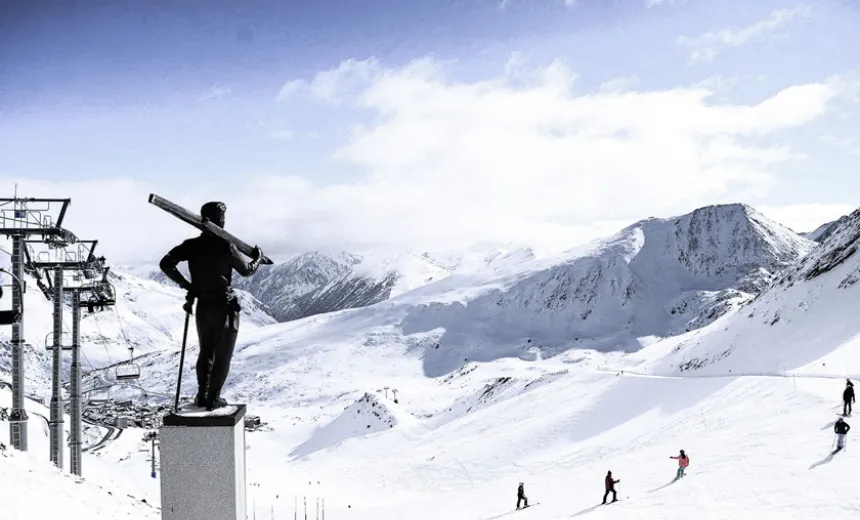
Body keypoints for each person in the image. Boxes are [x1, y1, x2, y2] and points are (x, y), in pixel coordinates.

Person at [159, 201, 263, 411]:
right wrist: (258, 258)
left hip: (203, 304)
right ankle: (213, 399)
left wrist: (186, 284)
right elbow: (246, 271)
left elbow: (165, 263)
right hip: (225, 306)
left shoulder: (191, 245)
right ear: (220, 220)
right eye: (222, 218)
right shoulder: (227, 246)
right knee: (222, 355)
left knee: (206, 351)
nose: (224, 221)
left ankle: (202, 394)